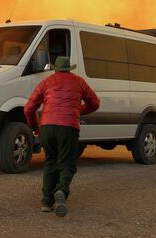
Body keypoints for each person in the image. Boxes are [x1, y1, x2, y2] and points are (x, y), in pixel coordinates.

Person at [24, 55, 100, 217]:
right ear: (69, 68)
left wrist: (35, 127)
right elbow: (95, 103)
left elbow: (28, 108)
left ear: (56, 68)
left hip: (47, 127)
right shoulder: (79, 81)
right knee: (67, 162)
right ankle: (62, 190)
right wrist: (78, 111)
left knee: (50, 161)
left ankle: (46, 202)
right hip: (68, 127)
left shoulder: (46, 82)